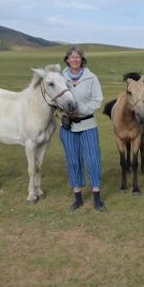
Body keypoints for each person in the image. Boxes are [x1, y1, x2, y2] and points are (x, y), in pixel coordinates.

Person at [60, 45, 106, 212]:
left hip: (87, 125)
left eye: (78, 56)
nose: (75, 59)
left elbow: (97, 100)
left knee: (93, 160)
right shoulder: (61, 77)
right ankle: (78, 198)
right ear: (67, 59)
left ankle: (97, 198)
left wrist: (81, 110)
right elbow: (55, 97)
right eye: (72, 56)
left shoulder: (91, 77)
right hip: (68, 127)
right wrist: (62, 110)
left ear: (82, 59)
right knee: (73, 161)